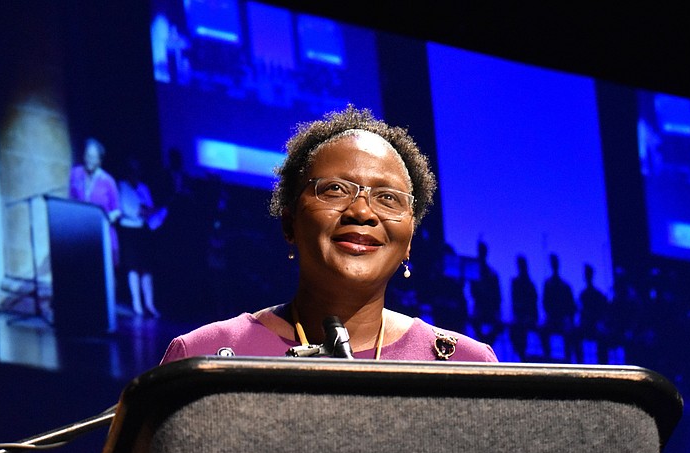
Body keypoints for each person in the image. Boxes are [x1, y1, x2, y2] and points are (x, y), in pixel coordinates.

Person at [159, 105, 498, 364]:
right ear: (289, 224)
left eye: (388, 198)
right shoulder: (203, 356)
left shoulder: (466, 363)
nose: (362, 212)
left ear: (409, 242)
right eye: (335, 189)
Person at [117, 157, 165, 317]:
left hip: (143, 231)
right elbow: (129, 210)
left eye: (137, 170)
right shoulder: (122, 186)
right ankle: (137, 304)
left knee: (146, 268)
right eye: (131, 169)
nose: (134, 173)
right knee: (133, 267)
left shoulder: (143, 187)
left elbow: (149, 208)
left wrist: (147, 210)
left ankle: (149, 304)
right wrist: (143, 211)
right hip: (129, 231)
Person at [68, 137, 122, 266]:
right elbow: (71, 199)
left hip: (102, 233)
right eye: (87, 156)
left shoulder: (107, 181)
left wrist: (106, 218)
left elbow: (118, 210)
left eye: (93, 157)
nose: (89, 160)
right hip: (82, 231)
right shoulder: (76, 174)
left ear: (99, 160)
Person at [509, 254, 539, 361]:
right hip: (519, 318)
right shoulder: (516, 283)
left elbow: (533, 303)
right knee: (514, 329)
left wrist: (530, 317)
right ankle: (521, 355)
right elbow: (514, 302)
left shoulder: (530, 284)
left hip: (529, 318)